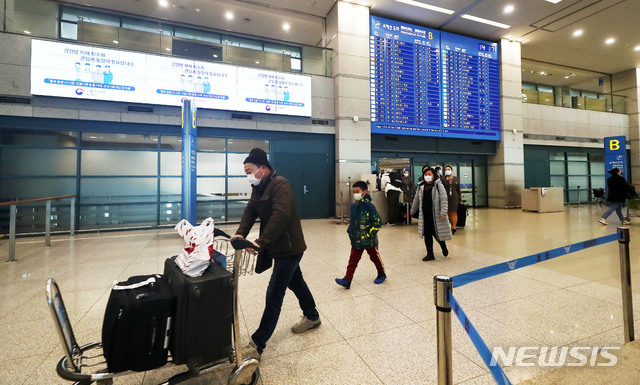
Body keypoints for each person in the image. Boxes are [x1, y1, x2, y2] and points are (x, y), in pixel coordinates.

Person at [234, 148, 320, 358]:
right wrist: (239, 234)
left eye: (249, 171)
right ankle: (312, 316)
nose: (248, 175)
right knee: (296, 282)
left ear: (263, 168)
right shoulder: (260, 187)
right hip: (277, 246)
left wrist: (259, 242)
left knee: (274, 293)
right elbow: (250, 211)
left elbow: (281, 215)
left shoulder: (280, 184)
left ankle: (257, 343)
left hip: (289, 249)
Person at [335, 181, 386, 289]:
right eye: (354, 192)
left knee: (375, 257)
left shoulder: (369, 206)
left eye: (357, 192)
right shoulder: (353, 206)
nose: (355, 194)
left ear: (365, 192)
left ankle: (381, 273)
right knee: (353, 259)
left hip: (369, 240)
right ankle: (347, 280)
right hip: (356, 239)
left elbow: (377, 222)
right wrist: (350, 231)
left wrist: (369, 235)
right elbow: (353, 222)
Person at [411, 167, 452, 261]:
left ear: (433, 175)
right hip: (425, 215)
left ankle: (443, 246)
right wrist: (413, 209)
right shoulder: (421, 186)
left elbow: (444, 199)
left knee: (437, 234)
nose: (427, 176)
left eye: (429, 174)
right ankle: (430, 254)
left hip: (436, 215)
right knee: (427, 234)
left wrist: (443, 212)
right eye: (426, 175)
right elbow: (416, 199)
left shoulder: (438, 185)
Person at [441, 165, 461, 234]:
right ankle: (448, 225)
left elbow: (458, 189)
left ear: (452, 170)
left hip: (454, 197)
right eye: (446, 169)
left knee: (454, 212)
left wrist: (460, 198)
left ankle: (454, 227)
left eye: (448, 169)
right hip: (445, 198)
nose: (447, 170)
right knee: (448, 212)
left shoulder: (456, 179)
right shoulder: (442, 179)